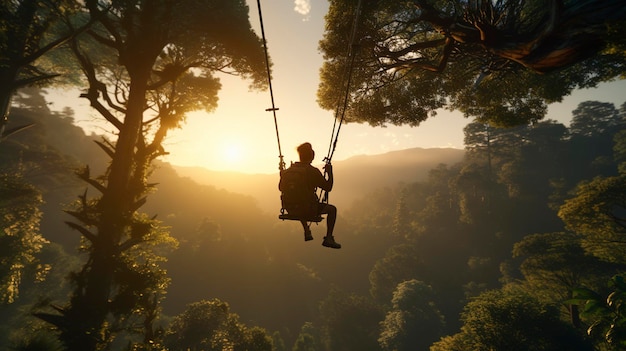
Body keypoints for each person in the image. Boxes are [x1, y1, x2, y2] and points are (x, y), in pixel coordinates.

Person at [279, 142, 340, 249]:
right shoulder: (312, 171)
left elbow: (280, 188)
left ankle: (306, 230)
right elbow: (328, 188)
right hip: (307, 209)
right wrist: (330, 172)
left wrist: (282, 175)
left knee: (301, 199)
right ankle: (329, 238)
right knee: (332, 210)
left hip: (290, 208)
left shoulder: (288, 171)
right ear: (312, 155)